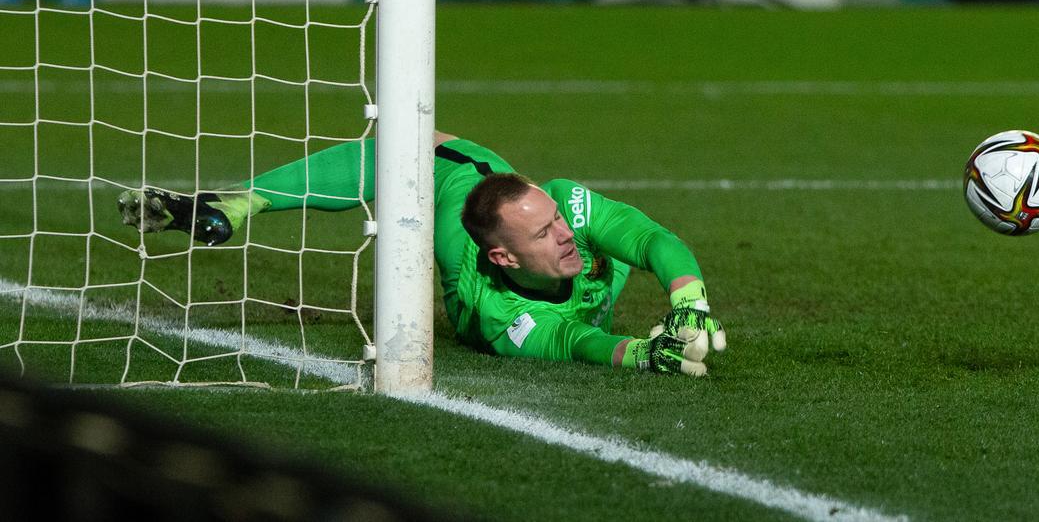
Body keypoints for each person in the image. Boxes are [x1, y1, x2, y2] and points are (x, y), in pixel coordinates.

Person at [117, 132, 726, 377]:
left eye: (557, 222)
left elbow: (652, 242)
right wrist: (641, 354)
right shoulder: (496, 314)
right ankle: (243, 201)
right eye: (543, 235)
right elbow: (576, 342)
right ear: (507, 260)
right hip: (465, 234)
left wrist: (688, 300)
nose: (565, 235)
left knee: (445, 153)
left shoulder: (566, 209)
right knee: (413, 147)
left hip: (491, 196)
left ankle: (238, 199)